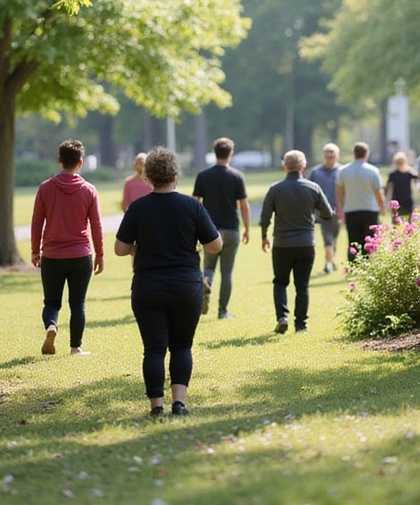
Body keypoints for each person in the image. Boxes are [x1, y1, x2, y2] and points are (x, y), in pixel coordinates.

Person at [114, 146, 222, 418]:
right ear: (175, 174)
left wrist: (140, 247)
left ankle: (156, 407)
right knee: (182, 346)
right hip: (186, 286)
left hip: (148, 286)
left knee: (153, 349)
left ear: (147, 176)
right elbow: (215, 246)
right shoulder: (191, 206)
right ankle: (179, 403)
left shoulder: (138, 207)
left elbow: (119, 248)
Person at [31, 139, 104, 356]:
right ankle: (75, 348)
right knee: (78, 304)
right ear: (80, 163)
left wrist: (36, 250)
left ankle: (52, 326)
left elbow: (37, 222)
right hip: (81, 255)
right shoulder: (89, 190)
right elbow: (97, 225)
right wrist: (100, 254)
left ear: (59, 160)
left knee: (51, 301)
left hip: (52, 255)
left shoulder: (45, 188)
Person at [259, 149, 333, 334]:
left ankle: (282, 317)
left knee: (280, 282)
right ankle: (301, 324)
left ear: (285, 167)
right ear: (303, 166)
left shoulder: (275, 189)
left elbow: (265, 216)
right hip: (306, 243)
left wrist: (264, 237)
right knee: (302, 285)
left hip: (282, 244)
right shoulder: (313, 188)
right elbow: (328, 213)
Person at [192, 136, 250, 319]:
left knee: (208, 266)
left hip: (210, 230)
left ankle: (206, 284)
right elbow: (243, 205)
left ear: (215, 153)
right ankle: (223, 311)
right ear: (230, 154)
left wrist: (195, 228)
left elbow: (195, 203)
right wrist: (247, 228)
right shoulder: (237, 176)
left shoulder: (203, 176)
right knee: (227, 272)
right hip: (231, 229)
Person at [336, 142, 385, 260]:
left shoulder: (343, 171)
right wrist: (382, 207)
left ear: (354, 154)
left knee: (353, 240)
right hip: (370, 209)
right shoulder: (373, 170)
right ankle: (369, 263)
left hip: (351, 209)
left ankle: (354, 264)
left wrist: (339, 208)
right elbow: (378, 192)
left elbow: (339, 192)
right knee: (369, 240)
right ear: (366, 154)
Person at [309, 142, 342, 272]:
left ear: (337, 156)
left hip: (338, 210)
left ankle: (331, 260)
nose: (330, 158)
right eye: (327, 156)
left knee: (334, 237)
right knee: (327, 237)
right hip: (322, 211)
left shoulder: (342, 171)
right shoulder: (316, 173)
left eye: (332, 156)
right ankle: (328, 263)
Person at [386, 151, 418, 223]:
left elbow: (388, 188)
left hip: (396, 201)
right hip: (407, 199)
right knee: (409, 222)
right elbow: (417, 177)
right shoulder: (409, 173)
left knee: (396, 222)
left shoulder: (393, 174)